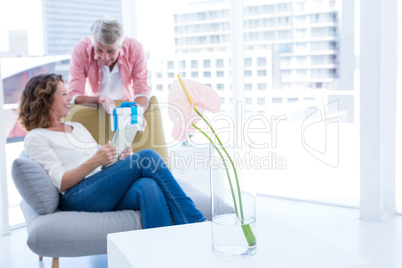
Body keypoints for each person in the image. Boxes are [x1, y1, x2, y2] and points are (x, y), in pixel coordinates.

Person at [19, 74, 206, 228]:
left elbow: (100, 169)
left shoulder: (76, 126)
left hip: (100, 189)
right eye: (64, 94)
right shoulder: (36, 137)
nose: (70, 99)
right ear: (45, 99)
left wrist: (115, 159)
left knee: (148, 186)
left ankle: (158, 257)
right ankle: (196, 223)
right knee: (147, 157)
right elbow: (62, 182)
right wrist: (96, 160)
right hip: (76, 195)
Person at [68, 19, 150, 113]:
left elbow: (142, 90)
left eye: (110, 51)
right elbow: (74, 94)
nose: (105, 57)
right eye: (99, 50)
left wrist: (136, 113)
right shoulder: (81, 49)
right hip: (93, 106)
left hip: (125, 106)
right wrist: (99, 100)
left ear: (121, 45)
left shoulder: (135, 49)